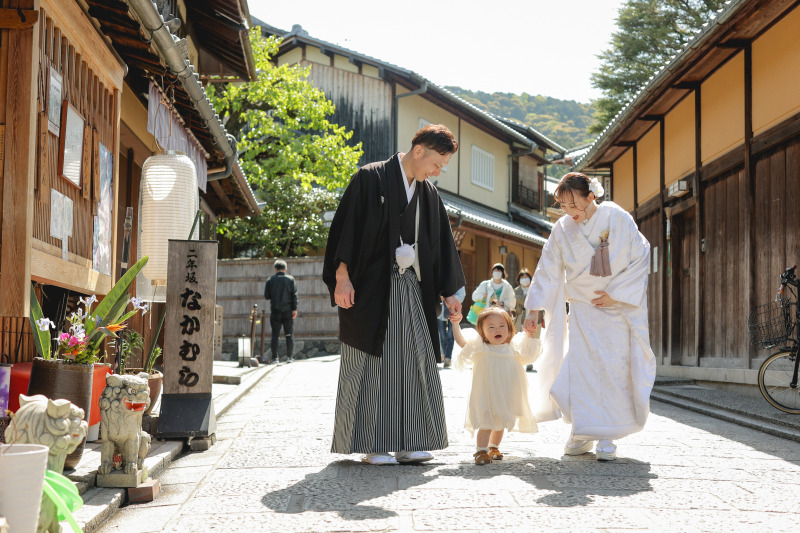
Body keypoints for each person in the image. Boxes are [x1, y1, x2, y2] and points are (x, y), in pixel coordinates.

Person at [323, 124, 466, 465]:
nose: (437, 171)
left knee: (416, 359)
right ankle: (374, 444)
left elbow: (441, 246)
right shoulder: (369, 179)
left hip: (412, 287)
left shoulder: (428, 194)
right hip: (371, 287)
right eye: (437, 163)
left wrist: (450, 293)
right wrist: (342, 277)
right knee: (374, 362)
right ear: (419, 151)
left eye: (442, 167)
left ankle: (411, 441)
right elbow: (346, 231)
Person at [523, 172, 656, 462]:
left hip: (615, 309)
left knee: (612, 371)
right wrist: (533, 309)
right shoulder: (562, 228)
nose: (569, 212)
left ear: (591, 197)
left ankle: (606, 436)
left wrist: (617, 295)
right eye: (564, 206)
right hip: (583, 309)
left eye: (574, 205)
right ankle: (581, 431)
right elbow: (548, 268)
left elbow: (640, 255)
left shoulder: (617, 217)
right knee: (580, 371)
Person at [449, 305, 541, 465]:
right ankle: (481, 450)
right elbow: (462, 343)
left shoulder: (514, 345)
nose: (497, 330)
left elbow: (530, 356)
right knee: (486, 422)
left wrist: (530, 336)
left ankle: (494, 447)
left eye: (501, 326)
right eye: (490, 327)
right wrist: (456, 324)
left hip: (506, 393)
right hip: (486, 393)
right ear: (482, 331)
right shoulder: (481, 347)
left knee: (500, 423)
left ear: (509, 328)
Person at [264, 259, 298, 363]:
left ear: (275, 269)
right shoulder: (290, 279)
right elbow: (294, 295)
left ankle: (275, 358)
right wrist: (294, 309)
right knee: (289, 334)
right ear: (285, 269)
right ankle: (289, 357)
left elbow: (267, 296)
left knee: (275, 335)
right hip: (288, 311)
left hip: (275, 311)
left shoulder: (270, 280)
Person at [512, 268, 535, 372]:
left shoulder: (535, 288)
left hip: (534, 318)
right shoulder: (517, 290)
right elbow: (519, 301)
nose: (524, 280)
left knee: (531, 339)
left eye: (526, 277)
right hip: (520, 318)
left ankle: (530, 361)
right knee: (521, 339)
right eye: (522, 278)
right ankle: (520, 360)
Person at [438, 286, 466, 368]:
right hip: (440, 312)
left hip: (453, 311)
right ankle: (444, 353)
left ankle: (447, 358)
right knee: (442, 336)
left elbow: (462, 295)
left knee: (451, 335)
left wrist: (447, 297)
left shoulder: (456, 280)